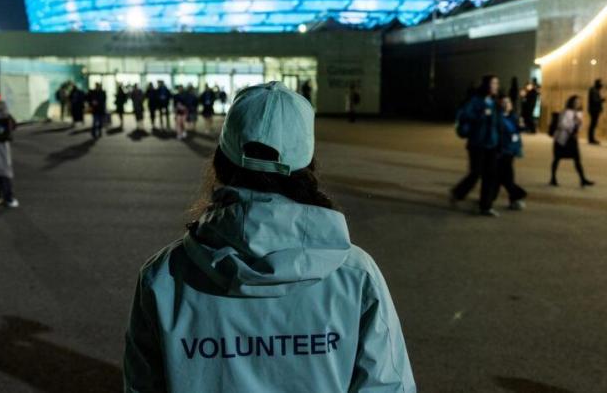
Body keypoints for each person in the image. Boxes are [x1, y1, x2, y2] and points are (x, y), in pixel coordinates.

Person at [123, 81, 416, 393]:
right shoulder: (355, 274)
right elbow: (387, 386)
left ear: (221, 161)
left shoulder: (164, 276)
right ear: (308, 165)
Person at [451, 74, 502, 217]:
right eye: (494, 83)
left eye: (497, 83)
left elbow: (497, 123)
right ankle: (458, 192)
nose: (496, 86)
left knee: (490, 175)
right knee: (476, 173)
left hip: (492, 143)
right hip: (477, 143)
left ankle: (485, 206)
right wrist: (481, 114)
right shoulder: (476, 101)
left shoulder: (494, 102)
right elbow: (464, 115)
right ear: (487, 85)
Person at [550, 95, 594, 187]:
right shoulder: (566, 112)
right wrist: (571, 128)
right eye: (575, 102)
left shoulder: (579, 113)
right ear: (571, 102)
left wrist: (578, 125)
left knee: (577, 159)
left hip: (572, 139)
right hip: (563, 139)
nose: (577, 104)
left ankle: (582, 179)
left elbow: (579, 126)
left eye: (579, 102)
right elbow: (562, 124)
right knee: (557, 158)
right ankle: (553, 178)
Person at [495, 95, 527, 210]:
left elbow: (518, 130)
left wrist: (521, 126)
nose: (506, 104)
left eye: (508, 102)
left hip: (511, 150)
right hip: (502, 150)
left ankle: (515, 196)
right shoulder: (498, 118)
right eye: (503, 102)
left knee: (502, 176)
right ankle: (517, 194)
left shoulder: (513, 116)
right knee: (504, 176)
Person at [587, 79, 605, 144]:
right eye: (601, 84)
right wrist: (602, 99)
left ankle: (591, 138)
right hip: (594, 109)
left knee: (593, 124)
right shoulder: (594, 90)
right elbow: (595, 100)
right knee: (593, 124)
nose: (602, 85)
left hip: (594, 109)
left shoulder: (595, 90)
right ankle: (591, 139)